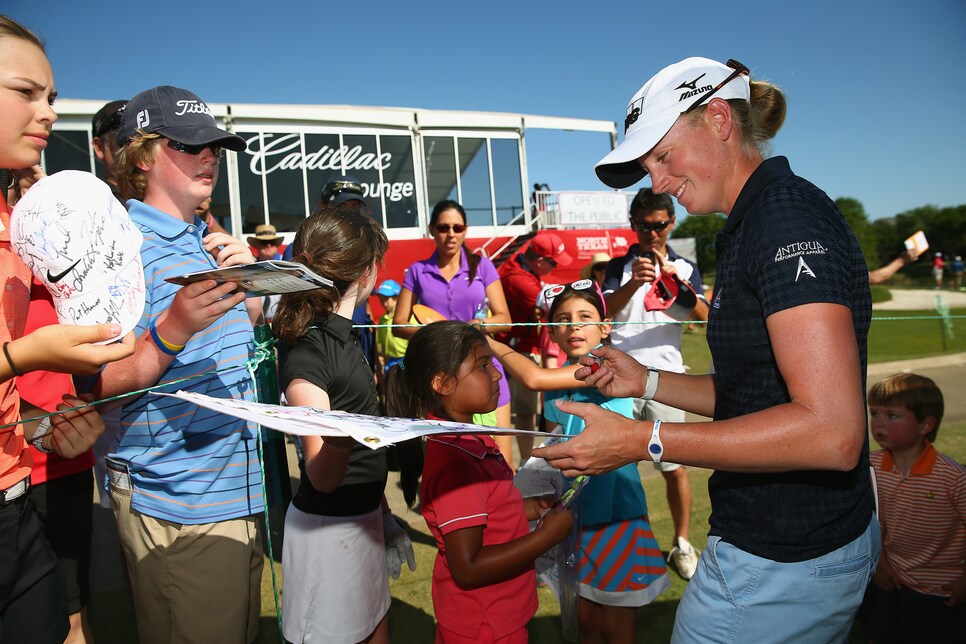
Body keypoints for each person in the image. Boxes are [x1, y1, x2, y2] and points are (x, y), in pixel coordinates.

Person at [534, 57, 879, 642]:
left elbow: (832, 432)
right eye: (648, 166)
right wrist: (644, 381)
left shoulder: (783, 217)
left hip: (782, 556)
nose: (658, 181)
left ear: (719, 119)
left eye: (663, 157)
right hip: (775, 544)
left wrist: (643, 439)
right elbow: (756, 394)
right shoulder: (753, 222)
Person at [92, 85, 264, 644]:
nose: (210, 155)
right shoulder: (118, 248)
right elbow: (95, 386)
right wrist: (172, 329)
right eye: (191, 145)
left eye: (214, 145)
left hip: (237, 495)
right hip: (177, 507)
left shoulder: (208, 241)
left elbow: (236, 346)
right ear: (142, 156)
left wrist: (256, 288)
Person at [0, 14, 135, 643]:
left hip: (19, 494)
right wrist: (27, 355)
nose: (48, 112)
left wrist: (42, 428)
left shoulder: (18, 227)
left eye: (51, 96)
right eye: (26, 92)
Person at [490, 280, 670, 643]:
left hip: (617, 519)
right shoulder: (561, 383)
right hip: (578, 519)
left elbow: (533, 376)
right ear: (552, 333)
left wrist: (484, 340)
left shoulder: (602, 368)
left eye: (584, 316)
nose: (574, 326)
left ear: (605, 327)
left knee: (617, 629)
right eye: (563, 319)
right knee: (585, 621)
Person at [274, 205, 415, 644]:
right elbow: (320, 473)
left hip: (362, 519)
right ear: (370, 271)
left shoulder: (345, 333)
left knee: (377, 631)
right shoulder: (309, 351)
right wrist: (339, 437)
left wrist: (384, 513)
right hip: (327, 532)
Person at [384, 320, 574, 643]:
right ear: (443, 384)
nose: (498, 374)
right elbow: (468, 567)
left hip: (498, 615)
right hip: (485, 626)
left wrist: (530, 508)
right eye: (483, 365)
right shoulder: (456, 462)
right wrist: (546, 537)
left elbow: (490, 507)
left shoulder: (469, 439)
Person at [602, 188, 708, 580]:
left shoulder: (685, 266)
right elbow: (602, 313)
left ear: (672, 223)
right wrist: (633, 283)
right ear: (633, 226)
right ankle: (627, 541)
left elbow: (702, 317)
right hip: (619, 378)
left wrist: (673, 280)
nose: (652, 233)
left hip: (667, 380)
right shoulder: (617, 266)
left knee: (673, 467)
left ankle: (682, 542)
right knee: (618, 470)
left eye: (660, 225)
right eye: (644, 226)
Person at [392, 200, 514, 461]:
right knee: (450, 455)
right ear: (432, 230)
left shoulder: (482, 266)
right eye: (443, 227)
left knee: (502, 457)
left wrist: (473, 327)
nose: (451, 234)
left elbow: (505, 319)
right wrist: (441, 335)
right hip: (442, 375)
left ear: (465, 230)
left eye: (457, 227)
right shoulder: (417, 271)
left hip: (486, 368)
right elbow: (398, 325)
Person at [865, 373, 965, 642]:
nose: (878, 423)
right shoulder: (870, 468)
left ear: (925, 424)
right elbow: (867, 520)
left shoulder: (953, 477)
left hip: (941, 590)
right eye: (874, 413)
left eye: (892, 415)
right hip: (890, 579)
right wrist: (880, 562)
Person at [496, 230, 572, 463]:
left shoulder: (523, 270)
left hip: (521, 348)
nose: (555, 268)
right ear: (540, 261)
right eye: (553, 263)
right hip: (514, 351)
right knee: (512, 413)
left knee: (526, 411)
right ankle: (514, 464)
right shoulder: (517, 277)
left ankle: (523, 461)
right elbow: (550, 301)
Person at [90, 99, 127, 198]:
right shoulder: (93, 202)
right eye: (124, 136)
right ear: (99, 147)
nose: (134, 143)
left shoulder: (164, 199)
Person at [373, 279, 407, 377]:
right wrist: (382, 360)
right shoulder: (382, 320)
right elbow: (382, 344)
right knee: (389, 382)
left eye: (387, 298)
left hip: (403, 359)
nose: (384, 302)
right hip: (389, 359)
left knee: (403, 380)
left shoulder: (406, 318)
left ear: (397, 297)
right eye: (381, 299)